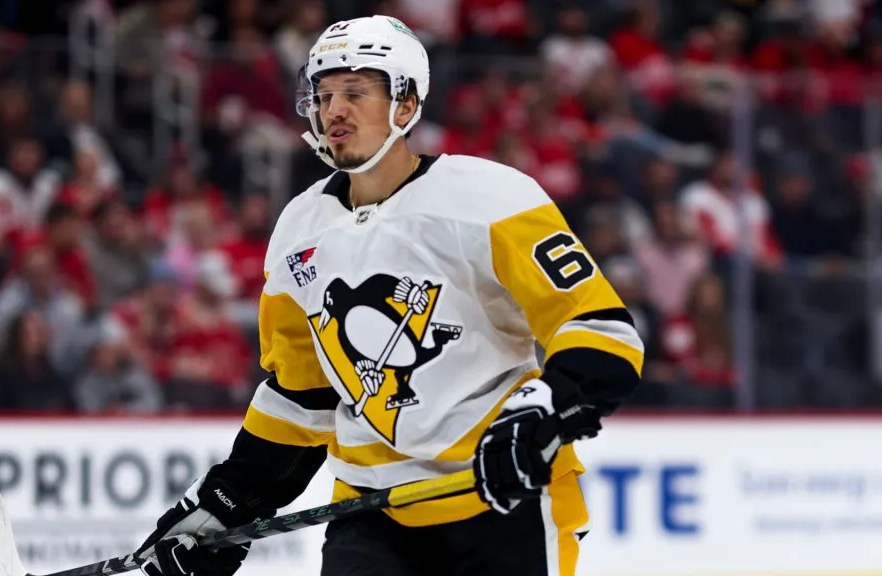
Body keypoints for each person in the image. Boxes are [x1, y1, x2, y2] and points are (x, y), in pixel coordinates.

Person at [134, 15, 643, 576]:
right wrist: (227, 502)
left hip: (502, 496)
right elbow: (303, 397)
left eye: (355, 92)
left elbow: (602, 331)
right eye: (324, 95)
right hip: (374, 513)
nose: (334, 111)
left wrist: (546, 409)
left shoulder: (491, 198)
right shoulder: (298, 230)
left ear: (404, 106)